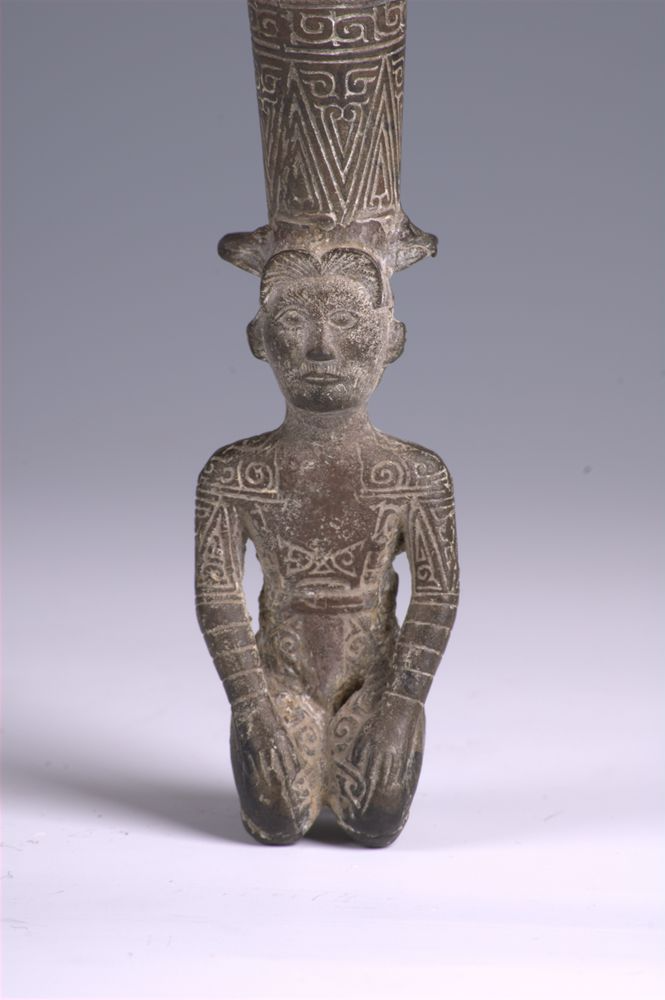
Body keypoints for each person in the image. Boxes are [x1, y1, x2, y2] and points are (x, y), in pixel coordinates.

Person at [195, 247, 458, 846]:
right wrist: (253, 706)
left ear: (392, 339)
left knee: (376, 816)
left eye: (345, 320)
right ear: (259, 338)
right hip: (279, 685)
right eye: (293, 320)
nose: (320, 348)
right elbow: (217, 595)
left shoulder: (415, 475)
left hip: (376, 685)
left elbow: (437, 596)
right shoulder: (234, 474)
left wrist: (400, 707)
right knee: (276, 817)